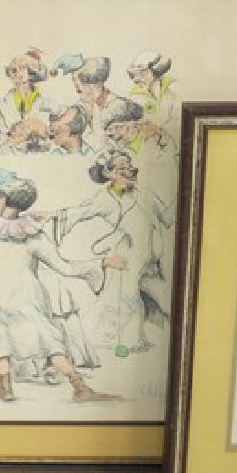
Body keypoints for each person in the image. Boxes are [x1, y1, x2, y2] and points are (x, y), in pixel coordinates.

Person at [0, 168, 124, 402]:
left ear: (4, 199)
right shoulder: (34, 233)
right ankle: (80, 388)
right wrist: (101, 263)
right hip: (26, 296)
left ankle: (5, 388)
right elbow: (64, 267)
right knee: (49, 340)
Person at [56, 150, 174, 354]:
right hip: (127, 257)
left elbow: (167, 218)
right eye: (122, 168)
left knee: (161, 298)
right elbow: (77, 213)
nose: (130, 171)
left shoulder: (145, 194)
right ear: (109, 173)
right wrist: (51, 217)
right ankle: (127, 342)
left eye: (130, 166)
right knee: (127, 298)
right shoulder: (104, 198)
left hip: (153, 257)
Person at [2, 49, 59, 121]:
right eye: (13, 70)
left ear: (31, 71)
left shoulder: (44, 99)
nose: (17, 73)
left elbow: (61, 112)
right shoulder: (6, 101)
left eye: (22, 67)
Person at [126, 51, 180, 127]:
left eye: (143, 73)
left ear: (156, 71)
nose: (136, 79)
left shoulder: (173, 94)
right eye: (133, 75)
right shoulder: (134, 98)